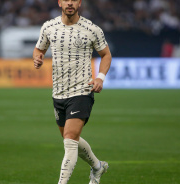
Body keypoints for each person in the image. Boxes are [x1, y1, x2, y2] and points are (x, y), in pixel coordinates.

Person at [33, 0, 112, 183]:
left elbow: (106, 54)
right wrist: (37, 58)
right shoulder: (49, 27)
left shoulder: (92, 29)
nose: (70, 3)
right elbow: (39, 49)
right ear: (59, 2)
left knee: (69, 139)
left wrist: (100, 77)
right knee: (71, 138)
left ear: (79, 3)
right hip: (58, 92)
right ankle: (98, 167)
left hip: (82, 91)